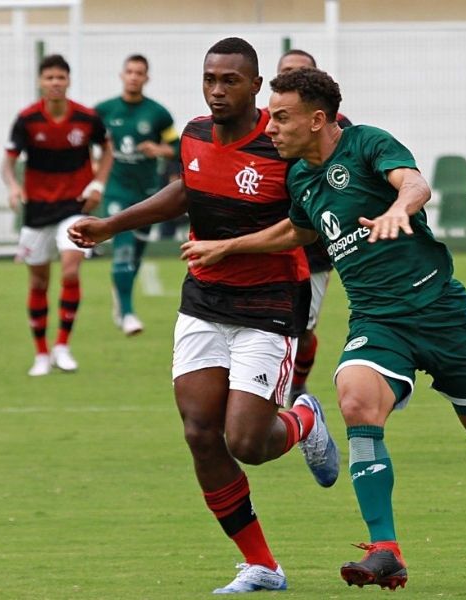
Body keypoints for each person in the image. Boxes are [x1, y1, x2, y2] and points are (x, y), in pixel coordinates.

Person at [179, 67, 466, 591]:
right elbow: (296, 229)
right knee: (356, 400)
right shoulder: (299, 176)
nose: (269, 128)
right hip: (377, 320)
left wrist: (398, 210)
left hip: (439, 312)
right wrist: (229, 247)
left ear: (317, 119)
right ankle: (385, 548)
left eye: (281, 117)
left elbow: (416, 183)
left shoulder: (366, 143)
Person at [68, 38, 341, 594]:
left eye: (230, 81)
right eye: (210, 79)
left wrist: (229, 248)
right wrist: (110, 224)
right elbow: (187, 190)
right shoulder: (193, 133)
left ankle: (303, 421)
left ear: (256, 86)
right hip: (204, 304)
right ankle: (262, 564)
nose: (218, 90)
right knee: (199, 432)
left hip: (268, 306)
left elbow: (304, 228)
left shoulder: (279, 144)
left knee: (247, 442)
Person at [2, 54, 112, 377]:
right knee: (38, 280)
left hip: (74, 207)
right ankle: (41, 353)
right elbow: (7, 162)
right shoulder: (27, 120)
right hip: (37, 209)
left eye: (60, 78)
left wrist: (98, 185)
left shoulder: (87, 118)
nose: (55, 83)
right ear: (40, 82)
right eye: (49, 78)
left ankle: (62, 346)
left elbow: (108, 150)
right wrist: (12, 186)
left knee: (70, 269)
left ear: (68, 81)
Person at [275, 49, 352, 403]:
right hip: (270, 239)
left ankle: (298, 383)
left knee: (302, 328)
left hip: (314, 246)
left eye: (300, 73)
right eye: (286, 72)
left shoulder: (342, 131)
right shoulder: (263, 129)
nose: (292, 78)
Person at [95, 54, 179, 336]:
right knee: (124, 247)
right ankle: (129, 313)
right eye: (129, 71)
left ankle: (121, 298)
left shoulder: (158, 114)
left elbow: (177, 147)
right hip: (116, 191)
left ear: (146, 78)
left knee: (136, 253)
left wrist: (159, 151)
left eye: (139, 72)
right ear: (122, 75)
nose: (133, 76)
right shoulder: (104, 110)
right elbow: (86, 140)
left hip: (147, 193)